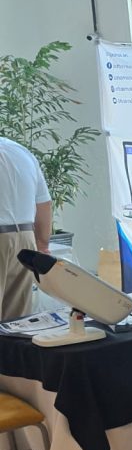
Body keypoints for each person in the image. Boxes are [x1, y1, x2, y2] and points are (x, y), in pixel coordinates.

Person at [0, 137, 52, 319]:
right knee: (16, 321)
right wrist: (42, 246)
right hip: (24, 239)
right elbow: (44, 204)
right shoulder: (20, 151)